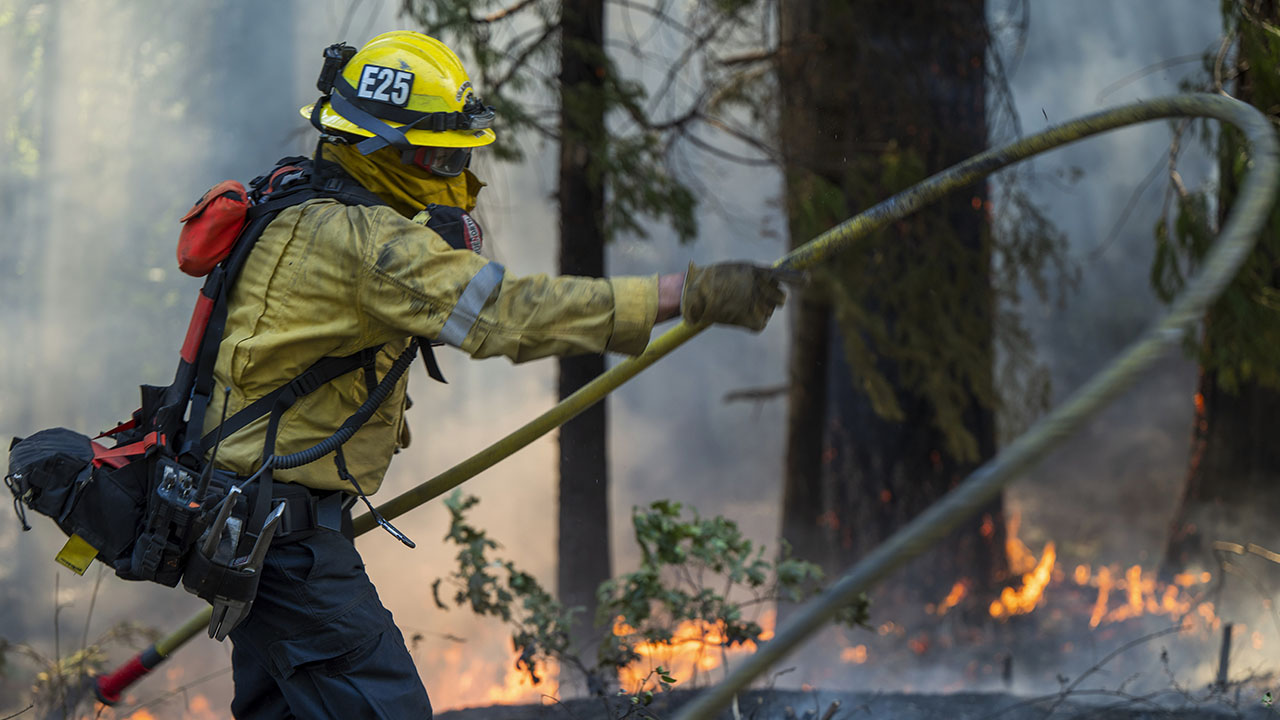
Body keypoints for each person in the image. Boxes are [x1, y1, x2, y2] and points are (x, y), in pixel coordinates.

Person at [205, 31, 787, 719]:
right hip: (285, 542)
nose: (454, 173)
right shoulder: (369, 244)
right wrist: (681, 295)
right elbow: (507, 314)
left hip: (247, 523)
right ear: (381, 149)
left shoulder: (292, 202)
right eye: (438, 156)